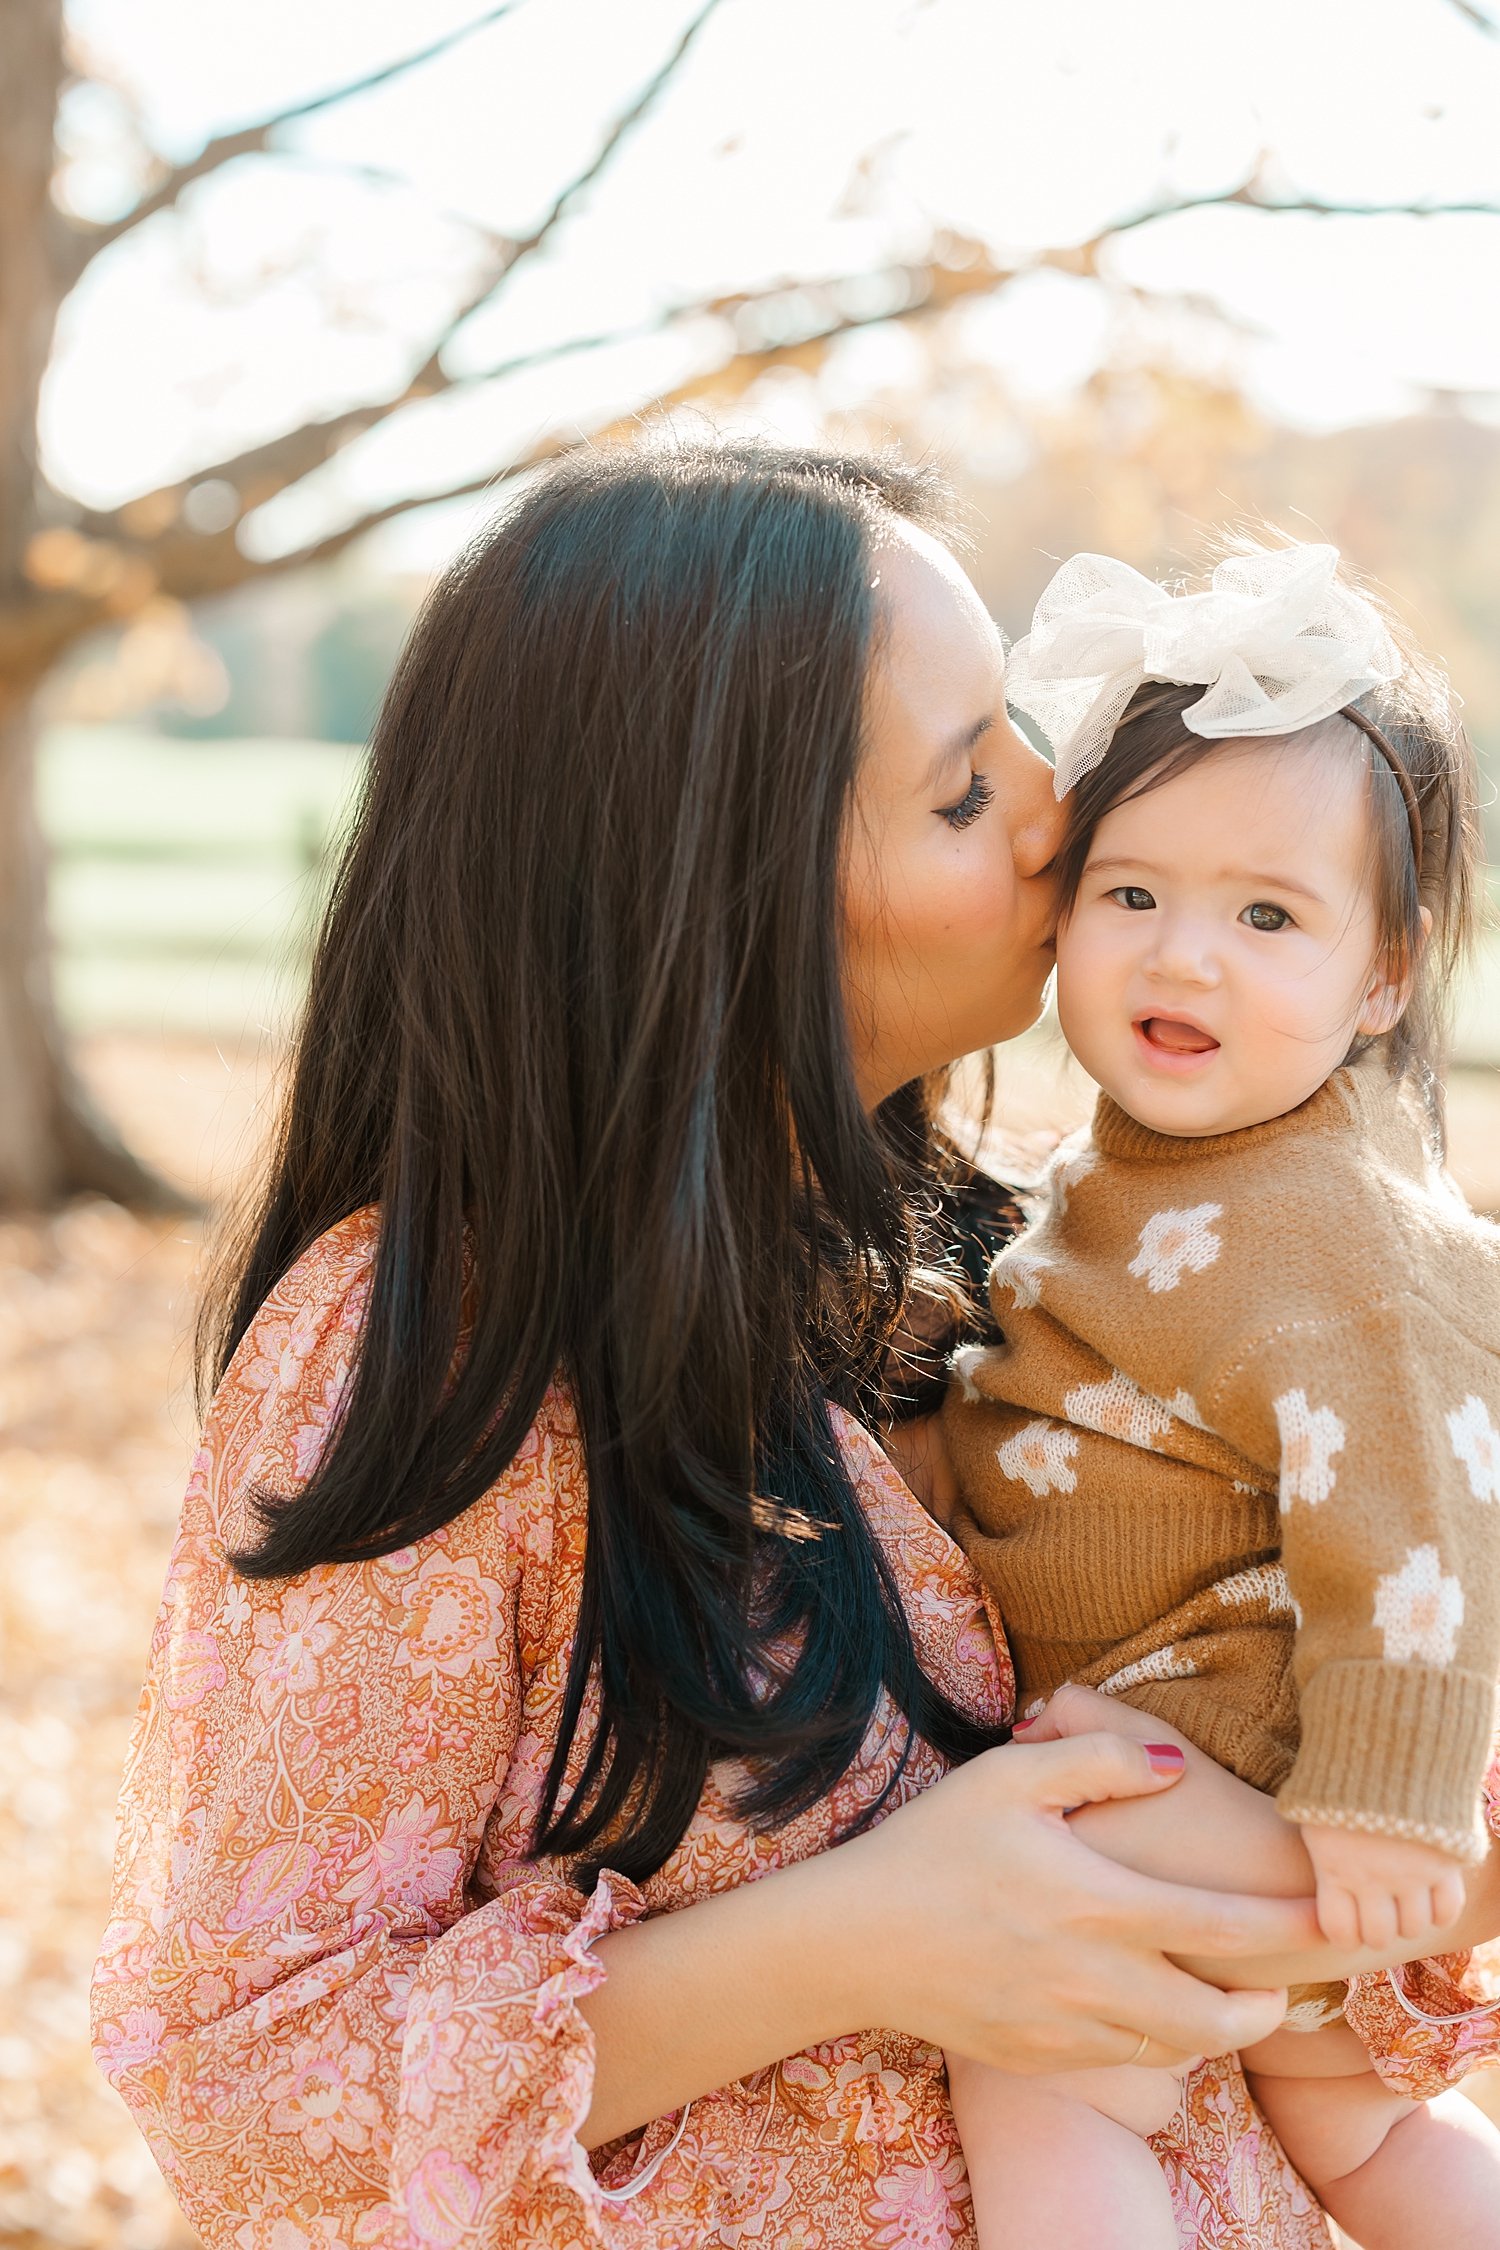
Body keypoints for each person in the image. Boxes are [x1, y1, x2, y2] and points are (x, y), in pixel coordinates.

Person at [91, 444, 1500, 2250]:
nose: (1063, 807)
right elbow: (248, 2085)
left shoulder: (1034, 1261)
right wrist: (867, 1937)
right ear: (721, 884)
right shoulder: (437, 1351)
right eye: (964, 785)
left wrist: (1356, 1871)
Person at [941, 540, 1500, 2250]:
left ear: (1385, 976)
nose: (1187, 955)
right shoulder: (1128, 1179)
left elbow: (1421, 1480)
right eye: (1134, 894)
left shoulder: (1327, 1223)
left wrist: (1391, 1791)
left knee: (1032, 2066)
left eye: (1268, 915)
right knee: (1355, 2124)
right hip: (1184, 1715)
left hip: (1236, 1728)